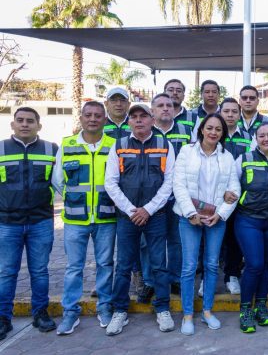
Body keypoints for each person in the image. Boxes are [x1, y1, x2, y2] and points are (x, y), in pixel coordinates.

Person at [104, 103, 175, 336]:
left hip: (156, 216)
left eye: (143, 116)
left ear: (152, 120)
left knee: (158, 265)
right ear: (128, 122)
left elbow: (169, 182)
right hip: (127, 216)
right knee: (123, 265)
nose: (138, 120)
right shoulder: (119, 145)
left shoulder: (165, 145)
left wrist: (148, 209)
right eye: (133, 117)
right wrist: (131, 209)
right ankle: (120, 311)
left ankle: (162, 308)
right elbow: (110, 182)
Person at [172, 113, 240, 336]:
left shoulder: (227, 156)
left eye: (218, 130)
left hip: (215, 220)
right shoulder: (186, 151)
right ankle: (188, 314)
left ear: (222, 133)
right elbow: (179, 185)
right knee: (189, 266)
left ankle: (208, 311)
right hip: (189, 218)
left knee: (211, 265)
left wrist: (220, 215)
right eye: (209, 128)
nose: (213, 132)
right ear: (201, 129)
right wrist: (191, 213)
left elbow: (234, 189)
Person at [53, 101, 117, 335]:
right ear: (81, 118)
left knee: (105, 265)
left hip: (106, 217)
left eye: (98, 115)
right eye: (88, 115)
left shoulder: (113, 145)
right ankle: (70, 312)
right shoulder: (67, 145)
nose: (93, 119)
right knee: (73, 267)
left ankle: (104, 307)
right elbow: (58, 180)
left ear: (104, 119)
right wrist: (75, 201)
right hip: (75, 219)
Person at [0, 108, 58, 340]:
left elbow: (60, 182)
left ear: (39, 126)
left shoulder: (51, 149)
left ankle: (40, 314)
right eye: (20, 121)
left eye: (30, 121)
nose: (25, 124)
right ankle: (4, 318)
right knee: (6, 272)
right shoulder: (1, 149)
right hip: (7, 222)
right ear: (12, 124)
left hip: (40, 221)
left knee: (40, 271)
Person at [234, 123, 268, 333]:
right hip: (249, 219)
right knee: (255, 264)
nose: (266, 139)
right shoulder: (245, 159)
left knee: (266, 264)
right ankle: (245, 309)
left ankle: (261, 306)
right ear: (255, 138)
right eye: (262, 135)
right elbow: (230, 183)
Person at [152, 93, 192, 296]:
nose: (166, 108)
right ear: (153, 111)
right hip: (152, 198)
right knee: (153, 242)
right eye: (160, 105)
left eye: (169, 105)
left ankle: (176, 278)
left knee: (177, 241)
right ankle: (152, 282)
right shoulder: (147, 132)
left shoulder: (187, 131)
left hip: (179, 197)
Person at [220, 97, 252, 295]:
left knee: (234, 239)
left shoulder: (250, 137)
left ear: (239, 114)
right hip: (213, 198)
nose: (230, 115)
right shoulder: (211, 134)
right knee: (212, 240)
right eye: (226, 111)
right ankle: (208, 278)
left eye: (234, 111)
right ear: (220, 113)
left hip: (238, 199)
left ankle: (232, 275)